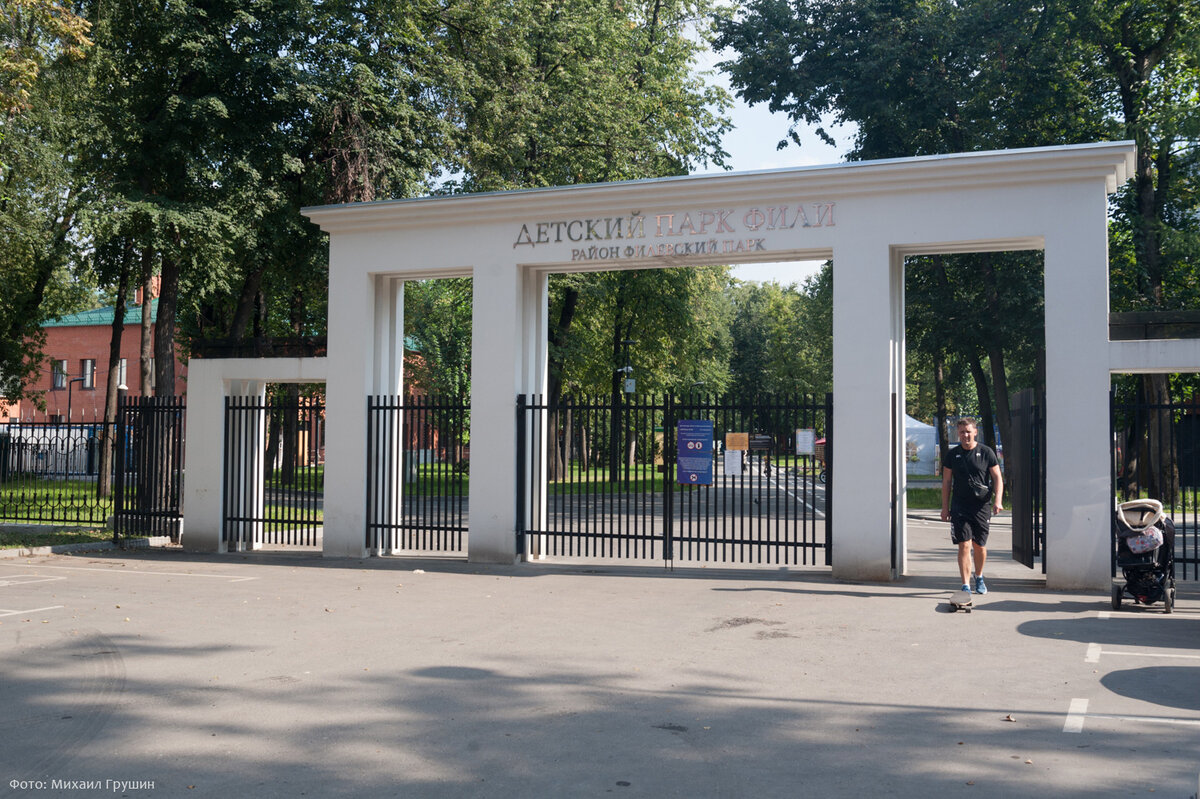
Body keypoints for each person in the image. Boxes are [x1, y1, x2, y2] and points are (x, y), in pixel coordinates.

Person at [940, 418, 1003, 594]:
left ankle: (979, 576)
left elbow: (997, 477)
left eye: (968, 431)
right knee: (964, 545)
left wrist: (998, 500)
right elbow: (946, 482)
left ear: (975, 432)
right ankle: (965, 584)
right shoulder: (953, 455)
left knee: (979, 546)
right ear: (958, 434)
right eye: (962, 432)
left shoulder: (986, 452)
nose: (965, 435)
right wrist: (945, 508)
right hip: (960, 506)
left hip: (981, 507)